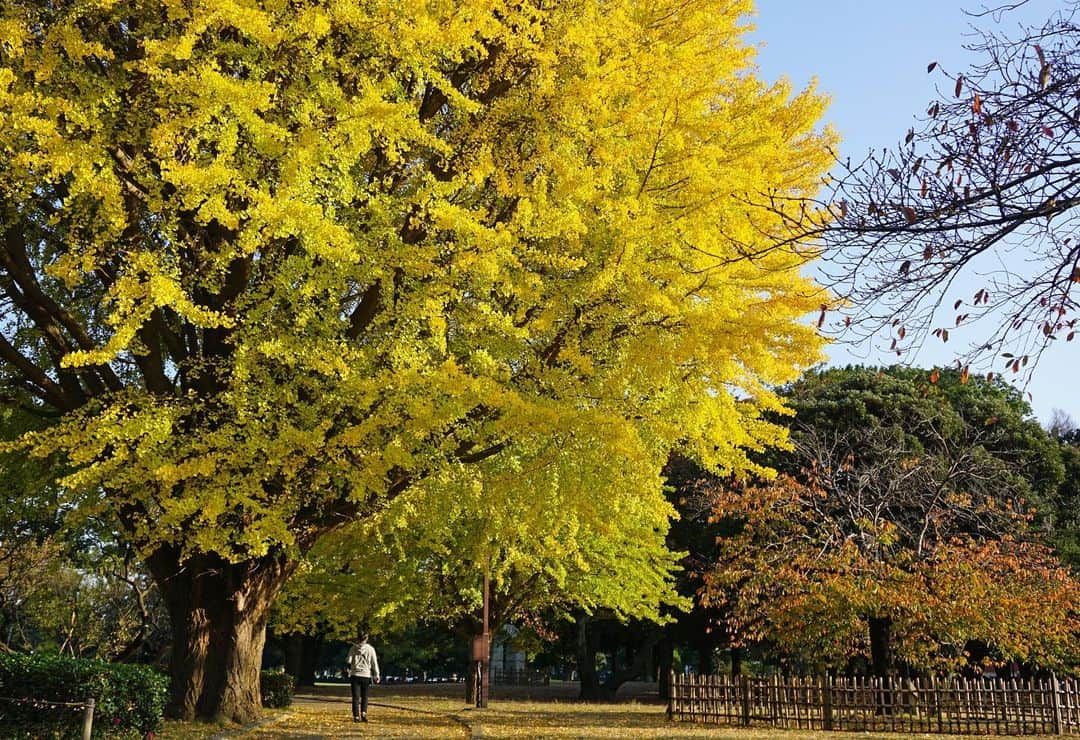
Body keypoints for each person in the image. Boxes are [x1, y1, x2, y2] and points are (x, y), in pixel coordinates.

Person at [345, 630, 380, 722]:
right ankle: (364, 713)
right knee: (365, 696)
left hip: (355, 675)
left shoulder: (353, 648)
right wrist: (376, 674)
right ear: (366, 638)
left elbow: (348, 661)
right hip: (366, 675)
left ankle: (356, 716)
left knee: (355, 697)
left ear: (358, 638)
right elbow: (374, 663)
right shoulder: (371, 649)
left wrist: (349, 669)